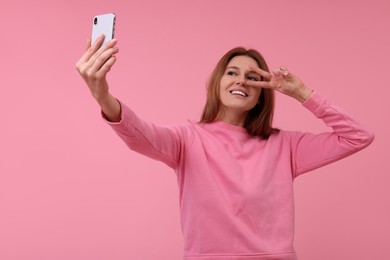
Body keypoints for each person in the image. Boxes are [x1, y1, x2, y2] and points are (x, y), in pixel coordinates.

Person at [76, 35, 374, 260]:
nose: (241, 80)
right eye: (232, 72)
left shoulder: (285, 145)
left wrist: (302, 93)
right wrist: (102, 95)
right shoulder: (186, 139)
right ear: (217, 83)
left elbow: (357, 136)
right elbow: (139, 133)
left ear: (261, 95)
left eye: (253, 77)